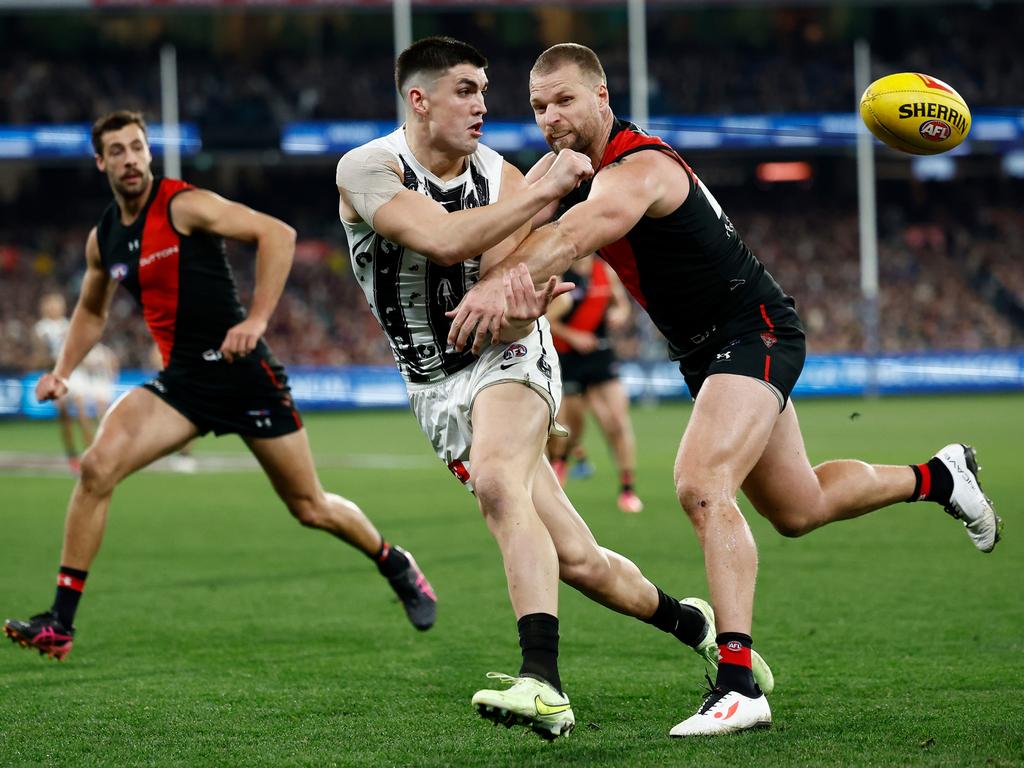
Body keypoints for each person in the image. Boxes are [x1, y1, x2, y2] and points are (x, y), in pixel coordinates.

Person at [446, 43, 1003, 737]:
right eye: (536, 107)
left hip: (754, 327)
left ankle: (738, 683)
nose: (549, 117)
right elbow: (506, 235)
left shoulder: (636, 167)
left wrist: (500, 283)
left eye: (562, 100)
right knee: (799, 506)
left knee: (702, 483)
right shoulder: (560, 172)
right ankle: (940, 476)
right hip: (705, 351)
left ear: (601, 96)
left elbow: (571, 235)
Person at [335, 36, 772, 741]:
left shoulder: (502, 175)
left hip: (511, 361)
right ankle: (693, 623)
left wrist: (525, 296)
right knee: (579, 561)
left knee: (499, 485)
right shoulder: (370, 168)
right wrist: (545, 187)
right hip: (434, 386)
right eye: (465, 91)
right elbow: (444, 240)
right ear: (418, 99)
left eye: (484, 89)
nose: (483, 105)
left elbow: (507, 275)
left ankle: (543, 683)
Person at [3, 110, 437, 663]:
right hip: (182, 385)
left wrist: (255, 321)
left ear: (149, 155)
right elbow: (91, 310)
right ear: (100, 162)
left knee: (309, 505)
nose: (131, 159)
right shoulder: (104, 238)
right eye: (118, 151)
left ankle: (393, 561)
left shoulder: (182, 204)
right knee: (95, 469)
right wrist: (62, 371)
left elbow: (276, 234)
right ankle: (58, 624)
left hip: (245, 377)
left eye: (138, 147)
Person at [545, 254, 643, 513]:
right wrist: (573, 335)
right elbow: (546, 321)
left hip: (599, 354)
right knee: (568, 427)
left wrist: (618, 314)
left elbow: (621, 305)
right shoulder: (560, 271)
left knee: (616, 422)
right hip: (566, 356)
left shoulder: (605, 272)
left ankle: (627, 489)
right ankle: (561, 461)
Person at [34, 292, 96, 471]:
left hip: (74, 373)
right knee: (64, 417)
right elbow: (40, 356)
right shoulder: (41, 328)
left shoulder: (69, 325)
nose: (54, 307)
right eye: (51, 303)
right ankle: (72, 454)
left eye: (57, 303)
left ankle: (91, 452)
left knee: (82, 413)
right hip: (55, 374)